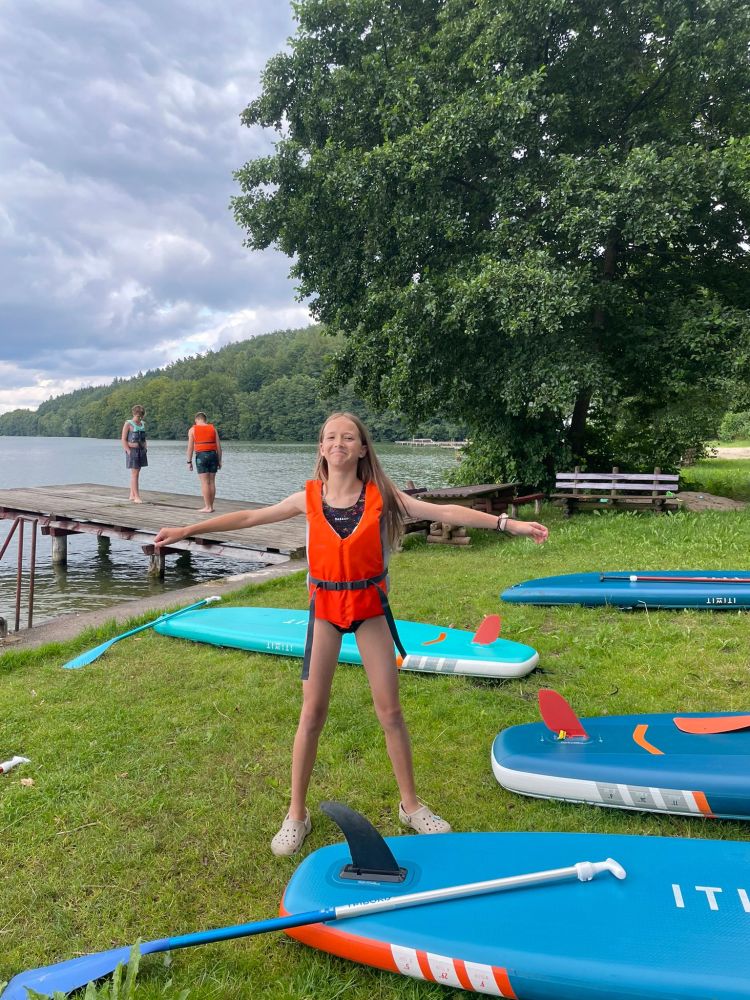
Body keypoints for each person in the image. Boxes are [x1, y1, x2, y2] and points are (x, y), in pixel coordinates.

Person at [154, 412, 548, 856]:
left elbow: (444, 512)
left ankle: (411, 806)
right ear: (321, 448)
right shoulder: (307, 497)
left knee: (391, 712)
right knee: (312, 713)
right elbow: (249, 517)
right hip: (325, 614)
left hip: (369, 613)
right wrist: (187, 529)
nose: (339, 442)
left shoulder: (383, 496)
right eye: (331, 437)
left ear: (362, 449)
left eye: (348, 437)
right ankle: (296, 814)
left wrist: (508, 524)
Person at [187, 412, 222, 512]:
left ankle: (207, 507)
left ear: (196, 420)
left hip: (201, 456)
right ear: (205, 420)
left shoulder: (192, 430)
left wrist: (189, 462)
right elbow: (219, 447)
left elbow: (190, 447)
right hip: (213, 455)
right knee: (212, 481)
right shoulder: (213, 429)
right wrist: (219, 460)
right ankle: (211, 506)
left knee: (204, 482)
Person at [121, 404, 147, 503]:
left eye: (140, 416)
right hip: (132, 451)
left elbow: (144, 439)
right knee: (135, 474)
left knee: (136, 473)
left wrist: (145, 448)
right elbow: (123, 439)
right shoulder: (128, 424)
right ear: (134, 414)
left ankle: (132, 495)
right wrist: (128, 451)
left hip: (141, 451)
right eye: (137, 416)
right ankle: (137, 497)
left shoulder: (142, 424)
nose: (138, 418)